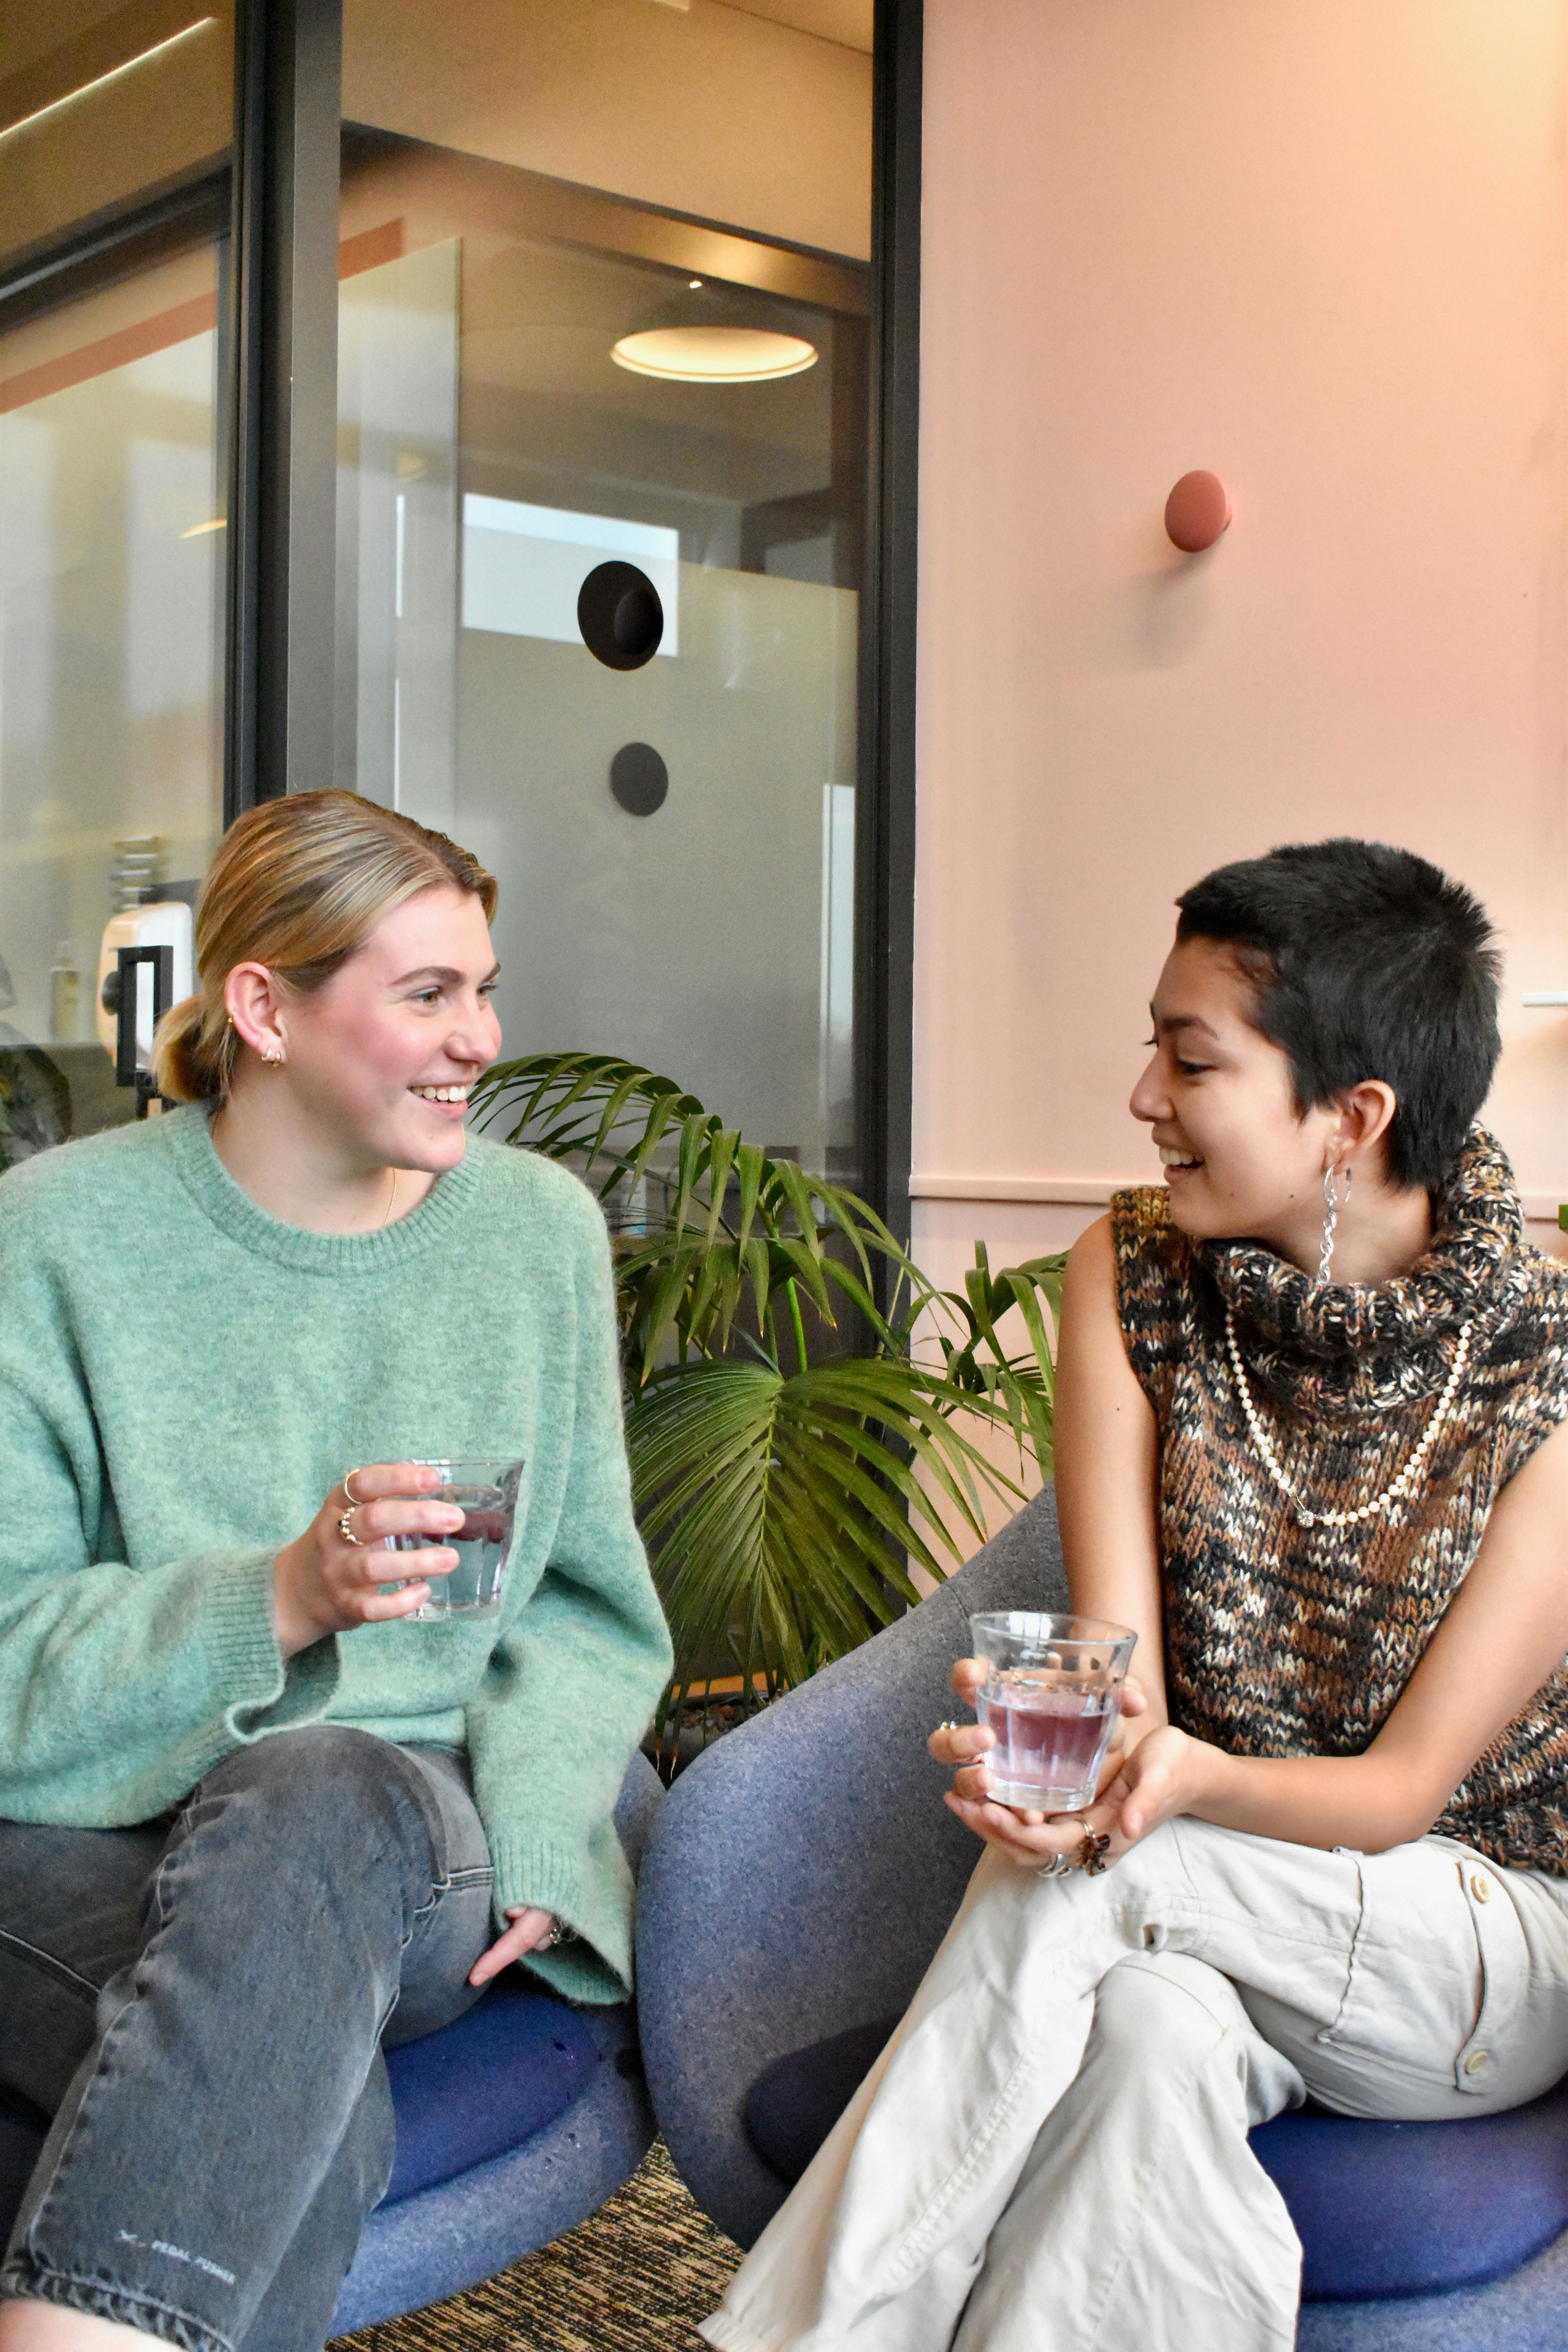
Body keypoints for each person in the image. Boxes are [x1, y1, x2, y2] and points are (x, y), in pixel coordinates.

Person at [700, 838, 1568, 2352]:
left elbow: (1402, 1791)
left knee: (1124, 1876)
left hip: (1480, 1937)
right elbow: (1121, 1684)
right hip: (1206, 1909)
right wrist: (1076, 1771)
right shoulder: (1134, 1273)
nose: (1143, 1097)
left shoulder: (1548, 1359)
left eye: (1193, 1059)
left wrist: (1154, 1800)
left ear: (1351, 1118)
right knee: (1149, 2062)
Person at [0, 790, 672, 2352]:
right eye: (428, 994)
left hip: (390, 1832)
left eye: (483, 989)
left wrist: (555, 1830)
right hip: (89, 1825)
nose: (481, 1038)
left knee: (310, 1793)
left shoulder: (533, 1237)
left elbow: (583, 1606)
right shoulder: (54, 1241)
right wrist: (279, 1598)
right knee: (294, 2097)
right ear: (264, 1009)